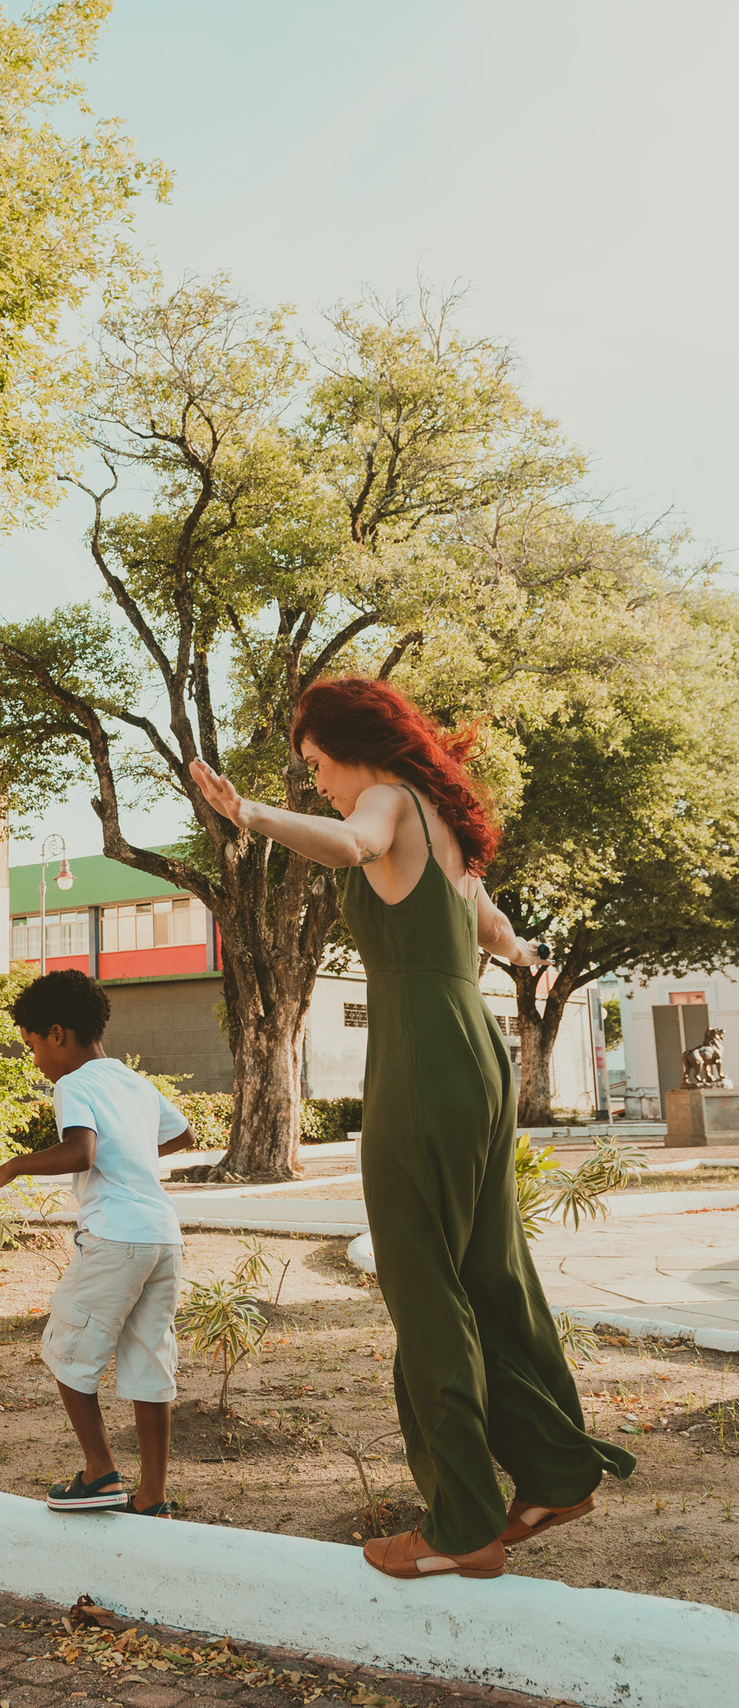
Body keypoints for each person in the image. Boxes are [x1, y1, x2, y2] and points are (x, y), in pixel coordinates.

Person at [190, 675, 634, 1581]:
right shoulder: (445, 825)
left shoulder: (389, 801)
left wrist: (253, 816)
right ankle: (554, 1473)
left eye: (317, 765)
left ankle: (462, 1523)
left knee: (424, 1290)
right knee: (487, 1271)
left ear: (353, 745)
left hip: (425, 1060)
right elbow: (496, 929)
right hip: (475, 1054)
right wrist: (523, 954)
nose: (318, 783)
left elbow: (350, 844)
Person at [0, 967, 196, 1517]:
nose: (35, 1061)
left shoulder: (72, 1084)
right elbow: (184, 1135)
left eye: (31, 1046)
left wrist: (10, 1168)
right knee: (149, 1360)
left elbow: (80, 1152)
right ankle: (153, 1496)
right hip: (163, 1238)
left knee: (66, 1347)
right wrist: (134, 1157)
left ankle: (100, 1474)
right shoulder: (134, 1082)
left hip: (116, 1236)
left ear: (57, 1033)